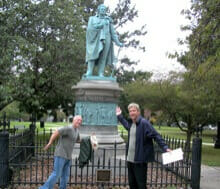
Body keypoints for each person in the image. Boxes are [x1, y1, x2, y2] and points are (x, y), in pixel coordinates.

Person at [116, 103, 171, 189]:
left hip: (140, 160)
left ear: (138, 112)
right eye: (130, 111)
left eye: (134, 110)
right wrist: (119, 116)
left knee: (141, 185)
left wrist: (165, 147)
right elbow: (126, 125)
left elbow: (156, 135)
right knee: (132, 184)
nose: (132, 113)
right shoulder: (132, 124)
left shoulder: (144, 123)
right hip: (130, 160)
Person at [39, 115, 82, 189]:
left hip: (68, 156)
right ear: (73, 120)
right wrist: (50, 142)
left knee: (65, 175)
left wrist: (90, 140)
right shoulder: (68, 128)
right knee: (56, 174)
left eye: (81, 120)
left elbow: (78, 140)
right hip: (60, 154)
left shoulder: (76, 131)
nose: (79, 121)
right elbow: (57, 132)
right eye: (78, 120)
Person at [85, 4, 123, 77]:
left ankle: (100, 73)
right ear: (98, 10)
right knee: (92, 54)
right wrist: (98, 26)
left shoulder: (108, 20)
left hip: (107, 38)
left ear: (105, 11)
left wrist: (118, 42)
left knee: (103, 57)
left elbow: (113, 33)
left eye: (104, 9)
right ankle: (89, 71)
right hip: (94, 39)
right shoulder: (92, 18)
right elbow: (89, 30)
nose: (103, 10)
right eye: (101, 9)